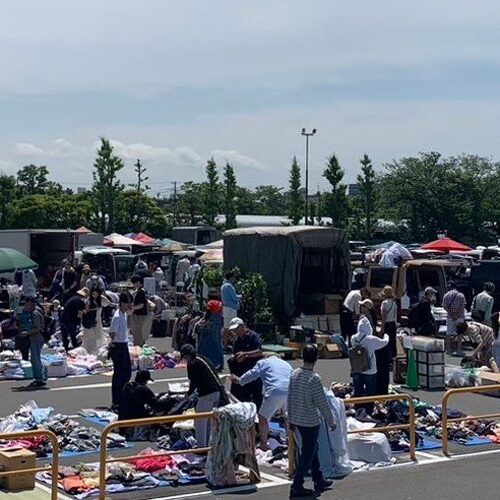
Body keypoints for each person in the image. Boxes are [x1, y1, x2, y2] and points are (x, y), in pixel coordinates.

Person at [287, 344, 335, 498]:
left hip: (297, 418)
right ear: (316, 359)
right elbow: (321, 402)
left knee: (312, 449)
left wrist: (290, 419)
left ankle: (318, 478)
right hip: (310, 421)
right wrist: (331, 420)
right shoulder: (314, 378)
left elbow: (290, 397)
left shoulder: (294, 374)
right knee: (308, 453)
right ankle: (297, 485)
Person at [232, 354, 292, 451]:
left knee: (263, 417)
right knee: (287, 417)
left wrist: (240, 381)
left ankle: (264, 444)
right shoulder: (286, 364)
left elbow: (253, 373)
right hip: (290, 390)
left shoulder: (264, 362)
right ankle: (291, 442)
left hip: (275, 390)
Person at [181, 344, 226, 447]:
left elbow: (194, 382)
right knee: (209, 421)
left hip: (207, 394)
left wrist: (188, 394)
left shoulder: (192, 364)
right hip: (217, 392)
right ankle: (210, 444)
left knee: (199, 421)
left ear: (186, 355)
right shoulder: (203, 358)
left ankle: (201, 447)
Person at [351, 315, 389, 415]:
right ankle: (368, 410)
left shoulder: (353, 338)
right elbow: (384, 342)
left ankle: (358, 408)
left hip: (357, 368)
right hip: (370, 369)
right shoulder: (371, 339)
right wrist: (386, 335)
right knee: (370, 392)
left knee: (357, 390)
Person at [228, 317, 263, 410]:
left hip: (255, 370)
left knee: (257, 396)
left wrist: (246, 354)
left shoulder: (253, 336)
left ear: (242, 326)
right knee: (244, 397)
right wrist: (236, 359)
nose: (235, 331)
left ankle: (258, 417)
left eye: (237, 329)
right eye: (234, 330)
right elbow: (236, 355)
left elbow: (259, 352)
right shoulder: (237, 341)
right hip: (243, 371)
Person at [109, 292, 132, 410]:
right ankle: (116, 400)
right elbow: (112, 332)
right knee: (119, 374)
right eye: (128, 302)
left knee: (127, 372)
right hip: (118, 346)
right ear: (122, 303)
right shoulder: (117, 316)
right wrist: (111, 345)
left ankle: (122, 395)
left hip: (124, 344)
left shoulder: (124, 314)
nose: (130, 305)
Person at [19, 297, 47, 387]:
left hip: (36, 337)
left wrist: (27, 333)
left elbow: (38, 328)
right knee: (34, 358)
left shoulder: (35, 313)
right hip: (34, 338)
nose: (25, 306)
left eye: (27, 304)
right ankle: (39, 378)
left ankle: (40, 379)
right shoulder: (33, 312)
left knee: (35, 359)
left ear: (32, 304)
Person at [194, 300, 224, 370]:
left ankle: (204, 363)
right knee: (218, 346)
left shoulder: (209, 317)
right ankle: (219, 364)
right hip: (216, 336)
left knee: (205, 348)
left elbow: (201, 326)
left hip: (207, 337)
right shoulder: (219, 317)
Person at [81, 288, 111, 355]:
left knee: (98, 334)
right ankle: (90, 350)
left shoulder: (101, 299)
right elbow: (86, 310)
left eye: (96, 294)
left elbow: (109, 303)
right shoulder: (88, 300)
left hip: (98, 319)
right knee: (90, 336)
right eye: (93, 294)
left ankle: (97, 349)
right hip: (90, 319)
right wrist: (95, 309)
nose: (94, 295)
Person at [443, 282, 466, 355]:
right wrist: (457, 315)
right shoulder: (461, 295)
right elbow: (462, 307)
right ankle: (459, 350)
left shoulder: (446, 295)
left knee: (448, 333)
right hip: (459, 317)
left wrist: (451, 314)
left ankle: (448, 350)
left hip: (450, 317)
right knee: (459, 333)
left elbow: (444, 306)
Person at [221, 271, 241, 347]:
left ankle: (225, 345)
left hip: (225, 308)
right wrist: (242, 296)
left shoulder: (223, 286)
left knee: (226, 327)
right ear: (231, 277)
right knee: (233, 327)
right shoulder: (229, 286)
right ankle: (234, 345)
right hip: (231, 308)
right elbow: (235, 297)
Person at [130, 275, 149, 347]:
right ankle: (138, 346)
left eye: (133, 283)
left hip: (139, 315)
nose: (133, 285)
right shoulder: (142, 290)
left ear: (138, 282)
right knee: (138, 333)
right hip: (140, 315)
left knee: (137, 333)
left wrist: (132, 308)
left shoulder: (141, 292)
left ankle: (138, 348)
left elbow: (141, 305)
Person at [380, 285, 398, 358]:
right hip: (393, 324)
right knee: (393, 341)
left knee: (386, 341)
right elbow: (395, 315)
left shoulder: (384, 303)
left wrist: (382, 327)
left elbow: (384, 316)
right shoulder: (394, 303)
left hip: (387, 324)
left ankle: (387, 357)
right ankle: (394, 356)